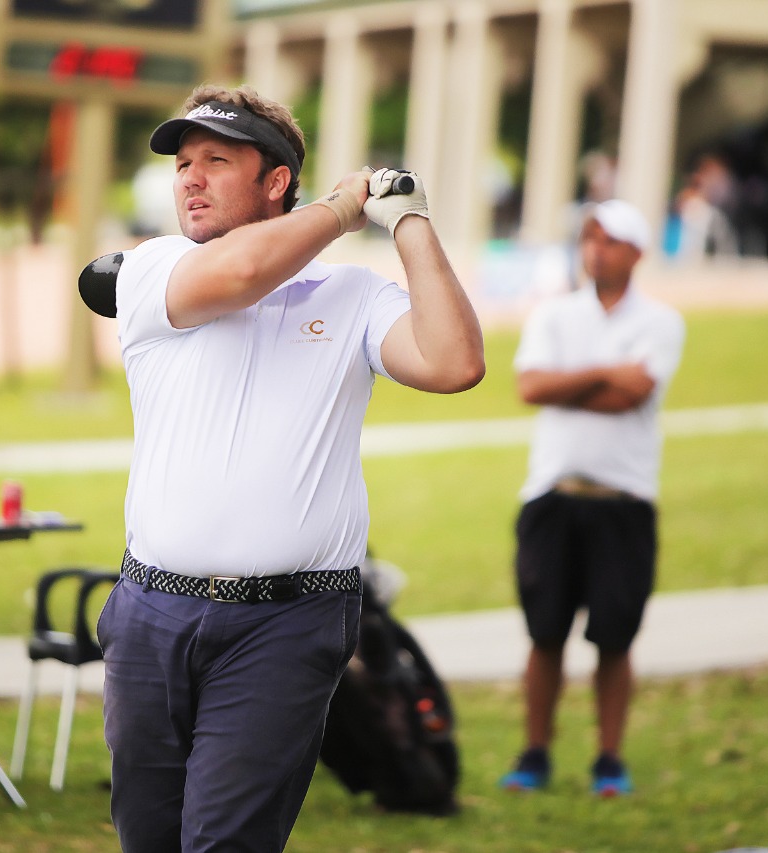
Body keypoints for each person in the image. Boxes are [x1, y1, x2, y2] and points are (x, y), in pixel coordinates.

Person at [98, 83, 485, 852]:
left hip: (286, 622)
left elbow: (454, 362)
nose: (190, 178)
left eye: (215, 161)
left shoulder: (352, 294)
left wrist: (408, 220)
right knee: (149, 839)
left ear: (276, 180)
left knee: (227, 841)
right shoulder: (154, 268)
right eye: (182, 164)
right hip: (151, 612)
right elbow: (241, 272)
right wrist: (343, 208)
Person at [499, 199, 686, 798]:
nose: (595, 252)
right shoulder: (554, 314)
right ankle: (535, 752)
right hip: (553, 495)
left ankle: (609, 758)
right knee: (545, 632)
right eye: (589, 239)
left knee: (615, 636)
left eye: (609, 241)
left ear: (636, 252)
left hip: (624, 499)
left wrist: (571, 382)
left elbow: (631, 397)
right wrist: (607, 371)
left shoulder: (661, 321)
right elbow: (531, 386)